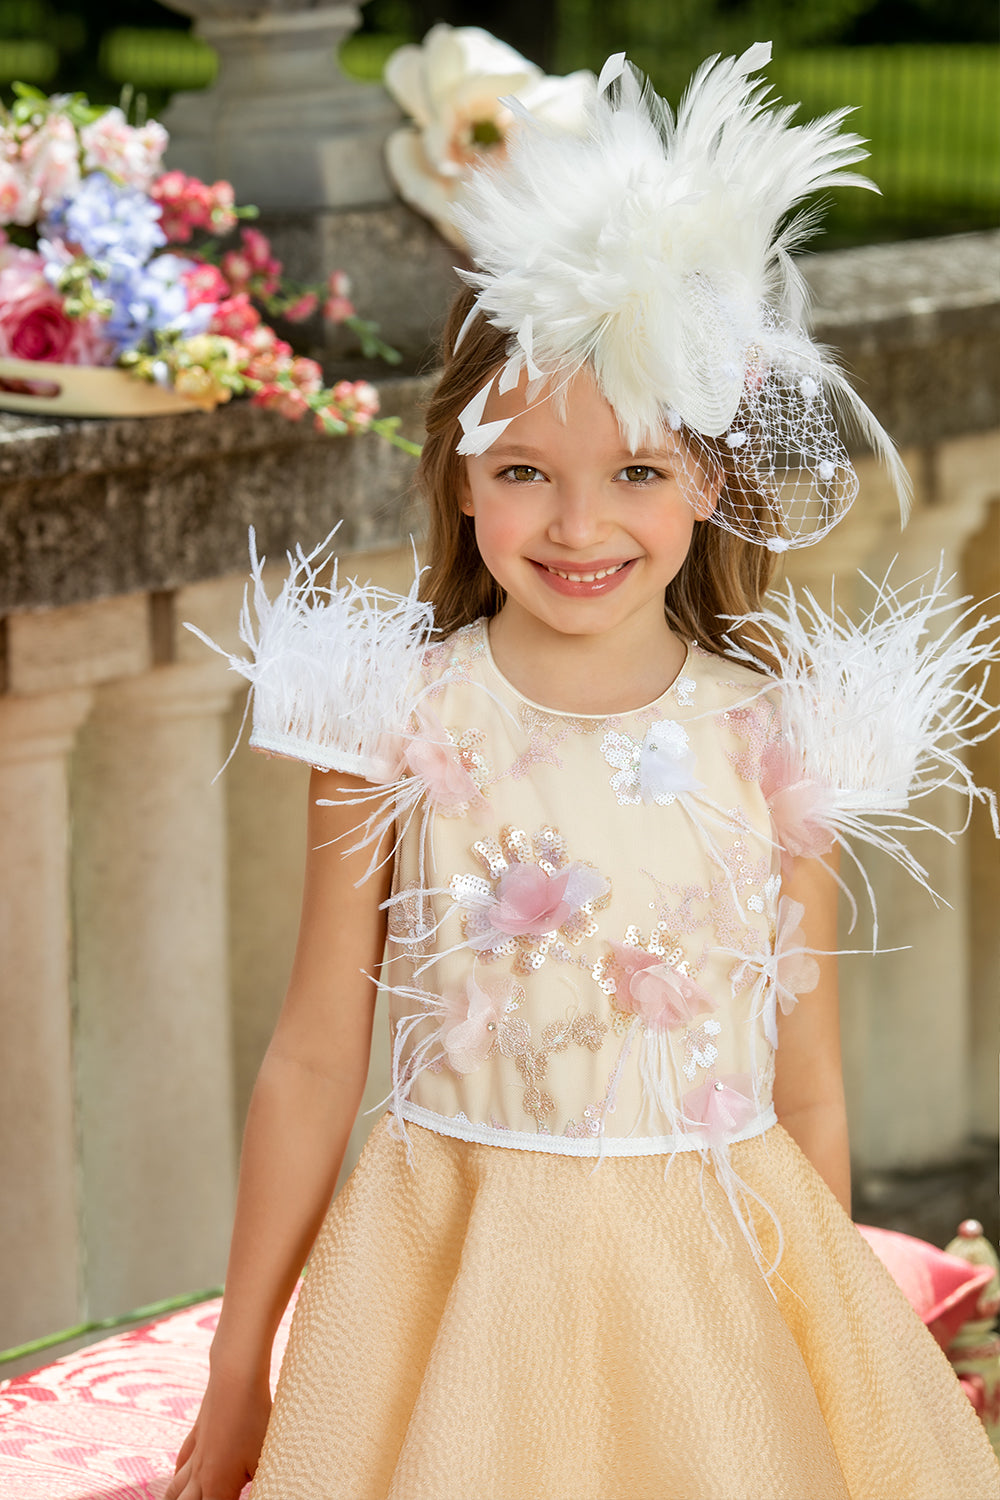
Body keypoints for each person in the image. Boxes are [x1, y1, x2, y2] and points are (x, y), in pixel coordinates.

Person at [168, 43, 1000, 1500]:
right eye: (524, 472)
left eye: (637, 472)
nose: (577, 524)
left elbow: (806, 1090)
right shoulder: (391, 722)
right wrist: (243, 1374)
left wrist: (833, 1357)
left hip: (712, 1307)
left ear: (708, 478)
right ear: (460, 473)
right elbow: (311, 1057)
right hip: (449, 1291)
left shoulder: (773, 740)